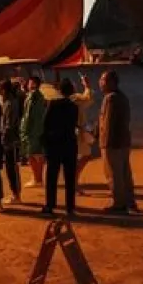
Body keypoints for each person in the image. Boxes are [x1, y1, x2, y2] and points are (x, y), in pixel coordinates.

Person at [99, 70, 138, 214]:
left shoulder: (111, 99)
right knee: (124, 173)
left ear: (111, 82)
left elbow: (108, 123)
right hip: (123, 141)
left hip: (112, 143)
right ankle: (129, 201)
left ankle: (119, 204)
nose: (100, 83)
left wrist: (105, 142)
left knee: (114, 174)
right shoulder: (122, 97)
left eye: (103, 80)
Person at [41, 78, 80, 216]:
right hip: (69, 143)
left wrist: (45, 142)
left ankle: (50, 205)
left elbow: (45, 124)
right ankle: (70, 207)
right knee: (70, 178)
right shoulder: (74, 107)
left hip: (54, 144)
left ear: (59, 90)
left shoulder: (52, 104)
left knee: (52, 177)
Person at [72, 75, 100, 189]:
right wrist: (86, 85)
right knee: (85, 155)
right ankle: (74, 181)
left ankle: (74, 181)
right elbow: (88, 98)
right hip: (77, 131)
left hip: (68, 132)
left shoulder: (59, 100)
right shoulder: (75, 98)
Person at [0, 79, 23, 204]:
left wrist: (2, 137)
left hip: (11, 141)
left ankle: (16, 195)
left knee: (12, 168)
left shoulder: (10, 103)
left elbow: (9, 125)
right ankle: (15, 193)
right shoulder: (10, 101)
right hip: (10, 140)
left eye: (0, 88)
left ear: (4, 90)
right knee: (10, 168)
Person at [20, 76, 47, 188]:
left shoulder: (32, 97)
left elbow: (27, 116)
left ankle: (37, 179)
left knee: (31, 155)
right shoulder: (40, 96)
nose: (28, 84)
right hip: (39, 129)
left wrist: (24, 131)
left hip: (31, 131)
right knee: (39, 155)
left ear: (34, 84)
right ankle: (39, 178)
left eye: (29, 82)